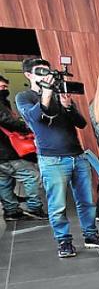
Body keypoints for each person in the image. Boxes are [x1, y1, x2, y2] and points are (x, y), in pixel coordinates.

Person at [15, 57, 99, 258]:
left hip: (77, 155)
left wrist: (68, 106)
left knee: (86, 201)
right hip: (52, 160)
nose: (46, 75)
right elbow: (35, 118)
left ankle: (91, 236)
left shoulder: (60, 93)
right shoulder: (24, 97)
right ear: (29, 75)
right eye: (40, 71)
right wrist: (46, 94)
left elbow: (81, 123)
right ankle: (64, 241)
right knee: (57, 205)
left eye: (47, 70)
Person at [0, 75, 47, 221]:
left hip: (2, 154)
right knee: (32, 176)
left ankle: (11, 211)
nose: (5, 90)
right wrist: (28, 127)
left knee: (4, 181)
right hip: (7, 151)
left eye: (5, 87)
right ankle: (34, 208)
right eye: (2, 87)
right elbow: (8, 121)